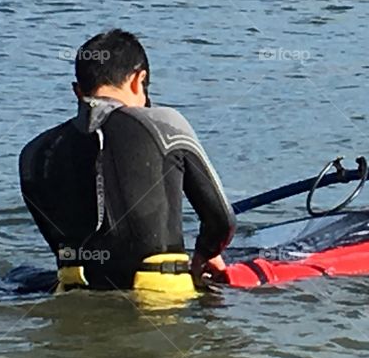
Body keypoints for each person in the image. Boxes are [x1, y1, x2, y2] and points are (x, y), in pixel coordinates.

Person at [19, 30, 235, 293]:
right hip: (159, 297)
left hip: (77, 292)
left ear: (77, 91)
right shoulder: (164, 124)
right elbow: (222, 222)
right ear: (138, 80)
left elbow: (58, 243)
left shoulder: (34, 153)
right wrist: (205, 251)